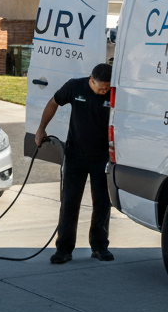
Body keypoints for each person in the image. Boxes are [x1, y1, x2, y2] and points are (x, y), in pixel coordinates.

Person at [34, 63, 113, 264]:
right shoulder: (74, 87)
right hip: (75, 155)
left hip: (102, 157)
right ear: (91, 80)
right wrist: (41, 128)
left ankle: (99, 247)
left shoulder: (113, 94)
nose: (104, 91)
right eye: (101, 87)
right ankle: (64, 249)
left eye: (107, 88)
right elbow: (54, 102)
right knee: (70, 202)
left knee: (102, 203)